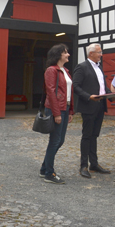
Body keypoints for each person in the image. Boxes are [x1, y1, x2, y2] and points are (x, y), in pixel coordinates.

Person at [73, 43, 111, 178]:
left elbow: (103, 87)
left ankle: (94, 164)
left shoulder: (99, 66)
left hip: (100, 106)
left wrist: (113, 98)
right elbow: (76, 86)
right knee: (87, 136)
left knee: (94, 135)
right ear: (91, 54)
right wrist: (88, 96)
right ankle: (83, 166)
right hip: (88, 106)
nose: (101, 54)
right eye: (99, 52)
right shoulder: (82, 67)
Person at [40, 44, 75, 184]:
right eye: (65, 52)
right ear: (59, 54)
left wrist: (71, 110)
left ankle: (44, 169)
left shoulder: (65, 70)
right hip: (56, 109)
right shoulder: (51, 70)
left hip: (64, 109)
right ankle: (49, 173)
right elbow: (50, 92)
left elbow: (69, 92)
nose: (68, 55)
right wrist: (56, 113)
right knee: (55, 141)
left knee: (59, 140)